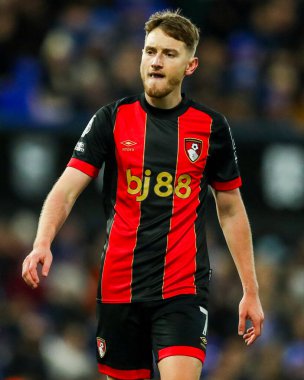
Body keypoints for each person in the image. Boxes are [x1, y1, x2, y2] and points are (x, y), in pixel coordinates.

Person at [22, 9, 264, 380]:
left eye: (169, 53)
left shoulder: (211, 127)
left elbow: (230, 209)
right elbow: (66, 189)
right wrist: (42, 242)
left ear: (191, 65)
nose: (156, 61)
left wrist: (251, 290)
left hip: (182, 290)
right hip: (118, 290)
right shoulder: (111, 119)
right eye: (150, 51)